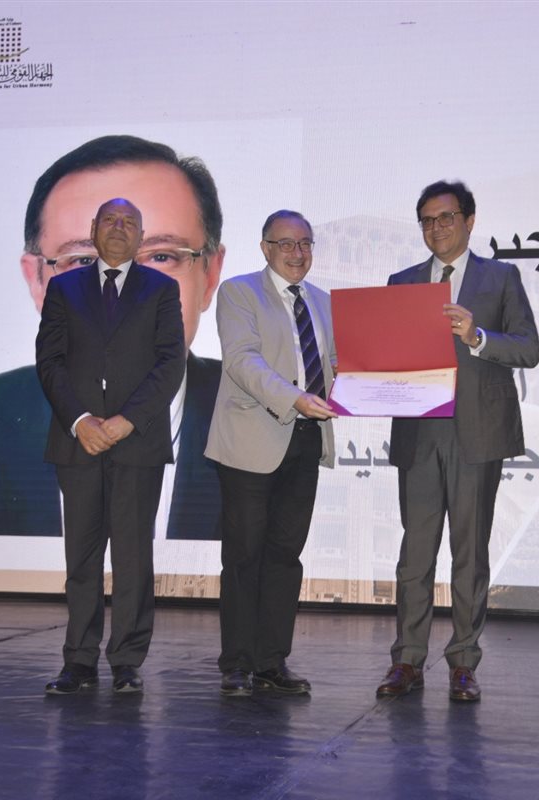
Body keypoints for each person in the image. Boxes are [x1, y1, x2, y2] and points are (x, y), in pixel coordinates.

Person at [0, 135, 225, 540]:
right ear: (37, 282)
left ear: (210, 275)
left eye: (161, 257)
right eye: (85, 260)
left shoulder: (266, 415)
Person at [376, 181, 539, 703]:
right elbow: (387, 356)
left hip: (477, 433)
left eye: (446, 217)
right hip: (419, 433)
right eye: (427, 220)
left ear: (469, 221)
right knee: (414, 557)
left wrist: (477, 336)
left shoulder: (501, 276)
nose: (437, 228)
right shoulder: (402, 282)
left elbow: (529, 349)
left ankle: (464, 662)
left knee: (470, 556)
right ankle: (407, 660)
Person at [38, 198, 186, 695]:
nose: (119, 228)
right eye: (110, 220)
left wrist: (127, 421)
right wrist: (80, 420)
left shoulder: (162, 289)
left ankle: (126, 660)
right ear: (94, 229)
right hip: (77, 441)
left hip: (136, 442)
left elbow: (170, 363)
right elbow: (50, 361)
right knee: (81, 558)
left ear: (141, 236)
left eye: (129, 222)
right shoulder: (64, 288)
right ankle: (78, 661)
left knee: (132, 559)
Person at [204, 210, 337, 697]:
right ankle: (237, 663)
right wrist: (295, 398)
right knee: (244, 556)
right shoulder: (239, 293)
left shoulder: (324, 302)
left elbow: (337, 364)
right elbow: (242, 361)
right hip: (250, 441)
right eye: (285, 244)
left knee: (284, 556)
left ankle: (271, 661)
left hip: (306, 439)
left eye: (305, 243)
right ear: (265, 248)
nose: (297, 253)